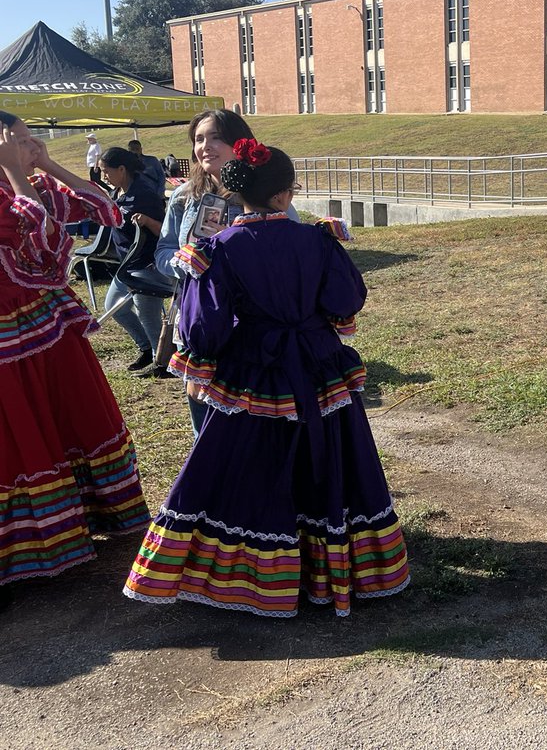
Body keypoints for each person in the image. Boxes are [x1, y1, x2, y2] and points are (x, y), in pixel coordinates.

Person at [123, 142, 409, 617]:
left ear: (240, 197)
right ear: (282, 197)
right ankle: (330, 565)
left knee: (249, 463)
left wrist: (201, 364)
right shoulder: (318, 239)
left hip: (254, 369)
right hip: (319, 365)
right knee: (330, 461)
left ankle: (252, 575)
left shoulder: (216, 250)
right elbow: (345, 299)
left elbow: (203, 328)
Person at [0, 111, 150, 599]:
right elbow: (37, 236)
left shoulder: (33, 183)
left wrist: (51, 167)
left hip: (49, 326)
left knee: (72, 416)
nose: (31, 147)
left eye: (30, 139)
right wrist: (17, 172)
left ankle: (90, 515)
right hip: (9, 340)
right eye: (20, 141)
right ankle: (34, 543)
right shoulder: (14, 194)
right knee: (24, 427)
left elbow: (106, 211)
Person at [152, 109, 297, 417]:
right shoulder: (183, 196)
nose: (205, 146)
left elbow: (289, 251)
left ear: (240, 143)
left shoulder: (262, 193)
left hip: (252, 327)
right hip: (198, 321)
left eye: (216, 137)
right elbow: (164, 250)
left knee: (247, 421)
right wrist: (188, 263)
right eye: (199, 139)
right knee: (202, 417)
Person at [98, 147, 167, 371]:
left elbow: (165, 232)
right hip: (126, 265)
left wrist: (147, 220)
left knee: (147, 313)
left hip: (147, 265)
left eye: (105, 171)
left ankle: (162, 361)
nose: (103, 176)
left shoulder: (145, 194)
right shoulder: (116, 192)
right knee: (114, 307)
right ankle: (147, 348)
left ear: (121, 169)